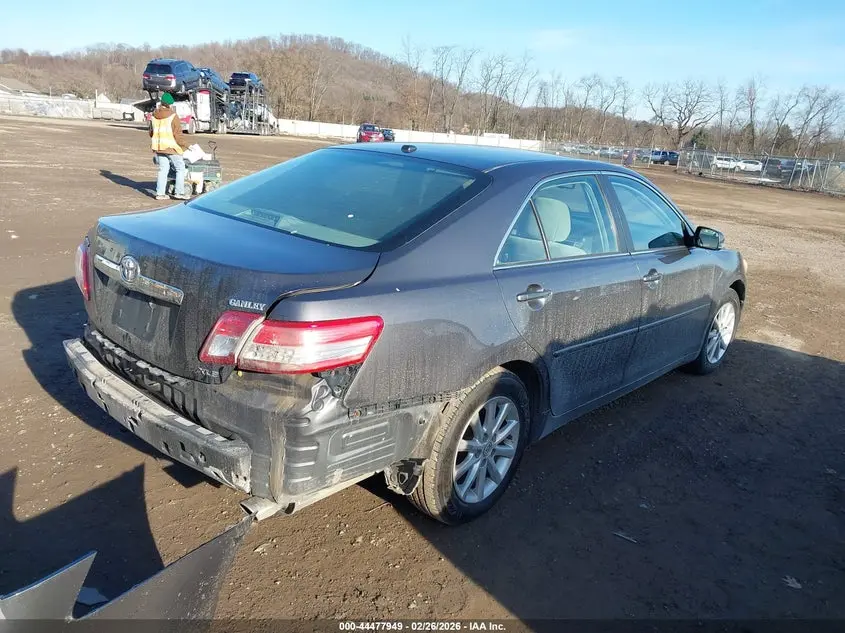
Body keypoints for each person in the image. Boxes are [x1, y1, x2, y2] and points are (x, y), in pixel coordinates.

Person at [149, 92, 190, 200]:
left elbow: (151, 132)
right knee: (180, 168)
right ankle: (179, 192)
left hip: (159, 147)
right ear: (170, 104)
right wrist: (186, 145)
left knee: (163, 170)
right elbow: (178, 135)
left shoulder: (153, 115)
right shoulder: (173, 116)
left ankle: (160, 193)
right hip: (171, 147)